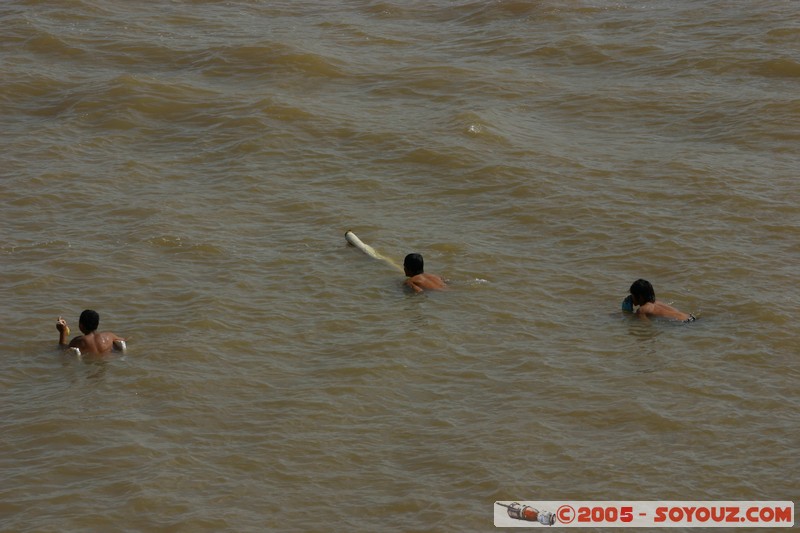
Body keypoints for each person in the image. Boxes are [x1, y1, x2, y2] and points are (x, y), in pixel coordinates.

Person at [622, 279, 696, 322]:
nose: (630, 297)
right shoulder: (656, 302)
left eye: (632, 295)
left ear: (640, 297)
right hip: (690, 317)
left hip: (683, 323)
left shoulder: (642, 310)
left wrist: (628, 314)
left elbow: (646, 327)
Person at [57, 309, 126, 355]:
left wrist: (62, 332)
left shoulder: (79, 341)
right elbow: (124, 340)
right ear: (97, 324)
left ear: (81, 325)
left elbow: (62, 349)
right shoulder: (109, 336)